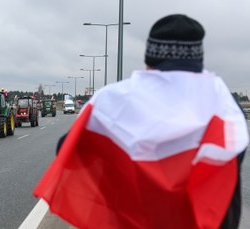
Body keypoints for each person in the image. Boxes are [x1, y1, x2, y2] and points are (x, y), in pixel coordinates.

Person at [34, 14, 248, 229]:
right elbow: (231, 161)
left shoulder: (114, 100)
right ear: (198, 57)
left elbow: (68, 149)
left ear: (149, 57)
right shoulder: (225, 105)